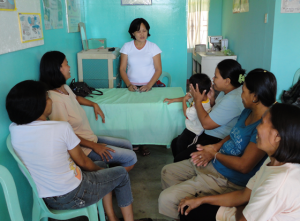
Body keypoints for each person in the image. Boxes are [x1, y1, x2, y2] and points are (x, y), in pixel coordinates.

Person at [6, 80, 136, 221]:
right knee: (121, 174)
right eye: (47, 98)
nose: (51, 101)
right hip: (74, 194)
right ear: (38, 106)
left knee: (102, 166)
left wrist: (101, 170)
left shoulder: (14, 130)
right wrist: (101, 172)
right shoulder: (61, 128)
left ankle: (111, 217)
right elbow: (84, 162)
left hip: (46, 198)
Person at [158, 69, 277, 219]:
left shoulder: (264, 128)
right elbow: (233, 134)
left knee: (166, 199)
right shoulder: (248, 111)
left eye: (244, 91)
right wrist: (215, 147)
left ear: (255, 96)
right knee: (168, 172)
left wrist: (214, 154)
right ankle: (185, 208)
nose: (241, 94)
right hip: (216, 161)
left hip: (228, 179)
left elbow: (244, 166)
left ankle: (187, 205)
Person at [178, 103, 300, 221]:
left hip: (242, 216)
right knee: (190, 209)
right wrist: (201, 200)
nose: (257, 127)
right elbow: (244, 195)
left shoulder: (279, 182)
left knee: (190, 213)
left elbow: (244, 216)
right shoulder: (272, 160)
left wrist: (244, 207)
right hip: (242, 212)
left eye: (262, 123)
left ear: (277, 136)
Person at [39, 51, 137, 172]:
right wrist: (94, 146)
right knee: (131, 158)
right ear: (58, 69)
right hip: (83, 148)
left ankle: (108, 168)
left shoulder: (64, 87)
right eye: (67, 64)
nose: (69, 67)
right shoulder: (55, 100)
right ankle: (110, 180)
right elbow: (65, 136)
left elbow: (75, 98)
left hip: (90, 138)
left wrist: (93, 104)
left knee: (127, 144)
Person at [171, 59, 245, 162]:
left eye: (216, 76)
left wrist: (198, 101)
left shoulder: (233, 99)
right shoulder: (227, 91)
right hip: (210, 133)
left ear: (227, 81)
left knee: (180, 154)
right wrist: (212, 100)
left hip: (216, 138)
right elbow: (218, 111)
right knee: (175, 143)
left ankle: (183, 168)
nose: (213, 79)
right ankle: (182, 167)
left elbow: (206, 124)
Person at [119, 18, 162, 156]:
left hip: (149, 86)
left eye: (144, 30)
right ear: (132, 33)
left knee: (146, 115)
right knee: (131, 115)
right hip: (131, 87)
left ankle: (144, 143)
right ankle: (134, 142)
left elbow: (158, 70)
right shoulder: (127, 46)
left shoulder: (153, 47)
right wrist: (129, 84)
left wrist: (149, 85)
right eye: (138, 31)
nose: (142, 34)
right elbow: (122, 69)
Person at [164, 73, 212, 161]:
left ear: (196, 90)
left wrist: (184, 101)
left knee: (181, 145)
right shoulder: (201, 97)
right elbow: (187, 97)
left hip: (194, 133)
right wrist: (173, 100)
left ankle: (180, 162)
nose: (189, 90)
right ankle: (177, 162)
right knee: (175, 143)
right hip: (190, 129)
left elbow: (186, 113)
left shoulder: (200, 105)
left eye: (191, 88)